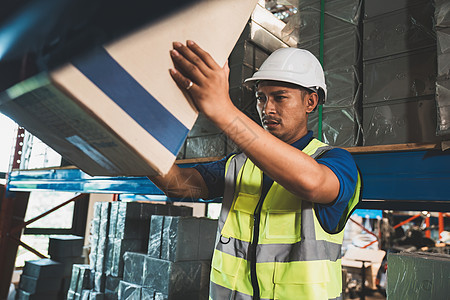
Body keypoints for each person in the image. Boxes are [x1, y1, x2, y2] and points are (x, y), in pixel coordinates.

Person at [148, 40, 362, 300]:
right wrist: (138, 146)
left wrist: (224, 112)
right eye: (261, 98)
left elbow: (312, 183)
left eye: (280, 97)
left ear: (311, 102)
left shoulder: (335, 162)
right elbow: (179, 185)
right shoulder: (238, 163)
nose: (267, 109)